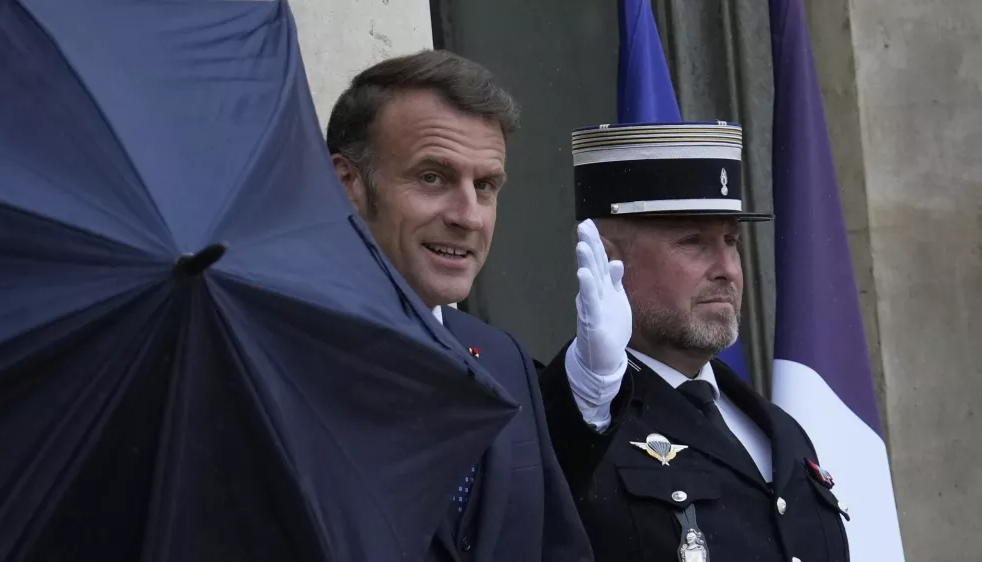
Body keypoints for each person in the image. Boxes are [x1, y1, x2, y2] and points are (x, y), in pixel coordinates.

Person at [326, 50, 627, 562]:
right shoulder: (279, 357)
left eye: (485, 186)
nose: (468, 217)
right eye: (432, 178)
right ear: (348, 185)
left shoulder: (504, 359)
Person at [539, 121, 852, 562]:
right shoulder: (580, 420)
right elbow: (534, 497)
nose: (727, 268)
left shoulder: (776, 428)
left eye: (731, 241)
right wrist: (589, 386)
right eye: (693, 242)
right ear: (610, 258)